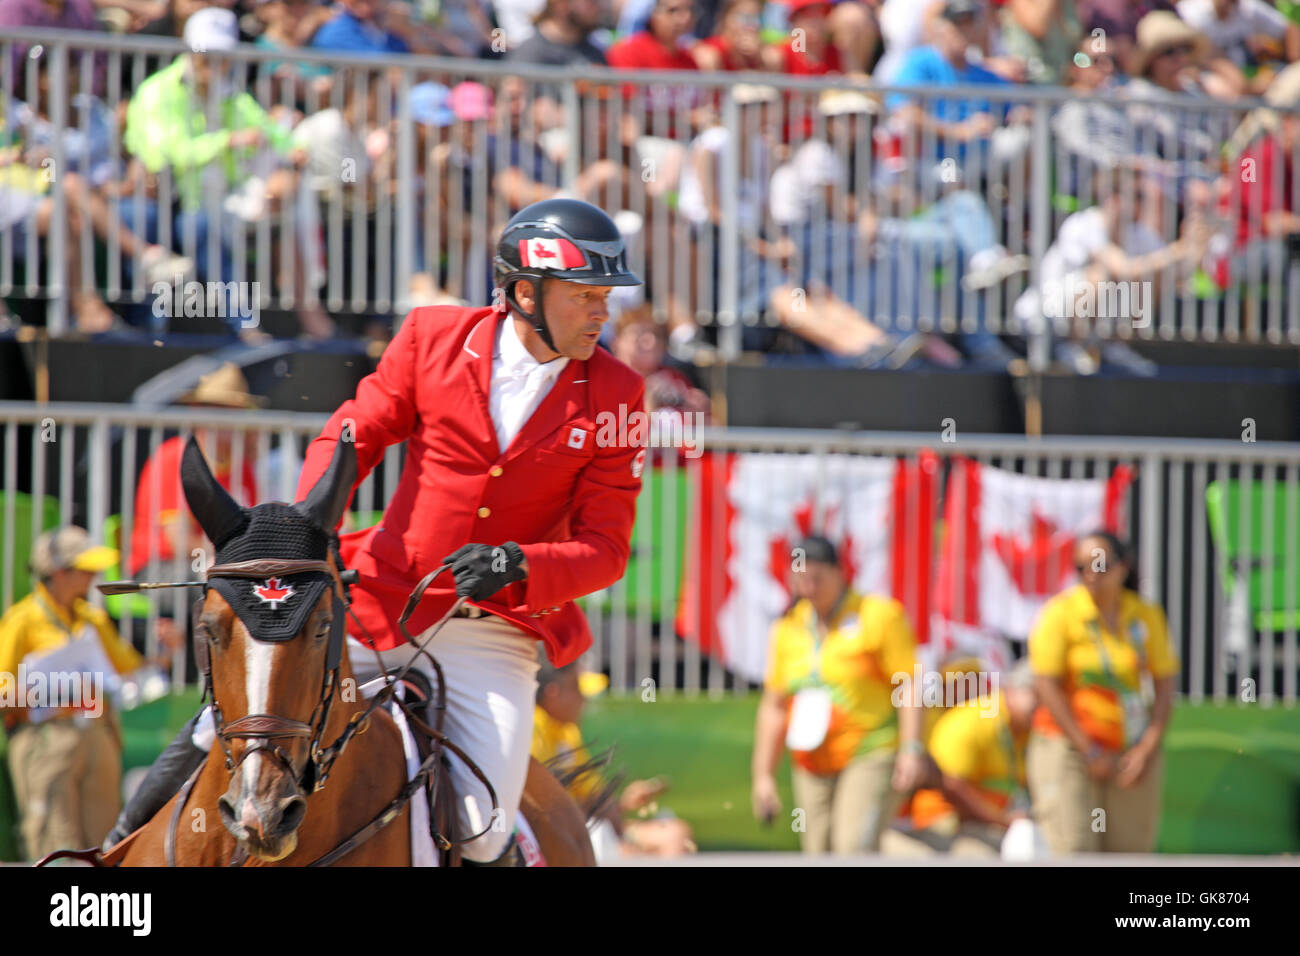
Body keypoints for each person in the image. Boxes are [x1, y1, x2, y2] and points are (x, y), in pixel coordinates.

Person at [105, 199, 648, 865]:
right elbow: (354, 432)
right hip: (378, 603)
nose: (603, 312)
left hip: (493, 629)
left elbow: (607, 548)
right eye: (586, 295)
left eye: (605, 297)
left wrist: (520, 563)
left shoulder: (618, 394)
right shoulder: (432, 339)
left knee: (481, 833)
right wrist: (308, 526)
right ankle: (110, 852)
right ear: (525, 293)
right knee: (225, 727)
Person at [752, 535, 926, 855]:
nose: (810, 587)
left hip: (869, 749)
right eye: (802, 578)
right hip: (812, 759)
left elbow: (908, 683)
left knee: (852, 848)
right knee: (817, 850)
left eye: (818, 578)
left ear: (840, 573)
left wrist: (911, 748)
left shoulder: (878, 615)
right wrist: (763, 776)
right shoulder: (788, 627)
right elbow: (774, 706)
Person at [0, 528, 163, 859]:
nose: (93, 576)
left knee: (106, 844)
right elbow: (3, 695)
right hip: (47, 740)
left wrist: (165, 650)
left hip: (98, 736)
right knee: (55, 845)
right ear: (59, 573)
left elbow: (130, 672)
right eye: (85, 570)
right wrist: (54, 694)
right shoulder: (22, 620)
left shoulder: (93, 619)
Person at [1026, 530, 1179, 854]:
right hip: (1069, 746)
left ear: (1123, 567)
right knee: (1076, 848)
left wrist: (1147, 748)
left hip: (1129, 750)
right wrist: (1088, 750)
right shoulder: (1061, 613)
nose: (1091, 574)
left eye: (1100, 564)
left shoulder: (1144, 614)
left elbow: (1165, 684)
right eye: (1082, 567)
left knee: (1130, 852)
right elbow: (1046, 685)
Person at [532, 656, 694, 858]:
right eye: (577, 689)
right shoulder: (532, 730)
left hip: (582, 830)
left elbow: (594, 799)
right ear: (553, 694)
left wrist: (625, 802)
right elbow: (546, 809)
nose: (585, 699)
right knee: (671, 837)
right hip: (559, 836)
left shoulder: (566, 732)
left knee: (676, 833)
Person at [889, 662, 1038, 856]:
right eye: (1036, 697)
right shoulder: (971, 721)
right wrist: (1002, 819)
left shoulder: (1028, 731)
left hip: (990, 824)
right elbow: (952, 785)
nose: (1042, 707)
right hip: (948, 821)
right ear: (1012, 691)